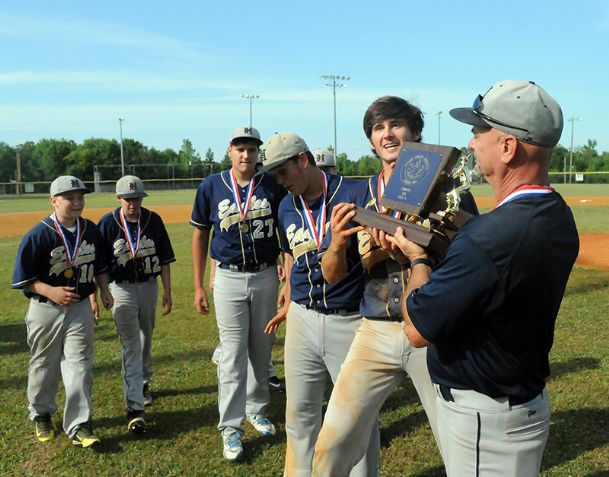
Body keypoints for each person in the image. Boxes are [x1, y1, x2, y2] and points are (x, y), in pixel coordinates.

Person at [384, 80, 578, 476]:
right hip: (519, 402)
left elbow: (417, 329)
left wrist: (417, 260)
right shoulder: (556, 212)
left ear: (508, 147)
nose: (472, 144)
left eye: (478, 132)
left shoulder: (488, 238)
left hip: (485, 420)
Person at [312, 96, 478, 476]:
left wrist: (427, 247)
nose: (387, 134)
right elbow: (332, 274)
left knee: (455, 442)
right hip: (375, 329)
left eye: (396, 124)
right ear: (371, 140)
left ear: (416, 132)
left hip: (433, 329)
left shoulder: (450, 187)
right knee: (332, 443)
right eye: (377, 128)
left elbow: (471, 255)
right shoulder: (356, 194)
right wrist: (337, 243)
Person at [260, 132, 379, 477]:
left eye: (282, 173)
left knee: (358, 420)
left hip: (351, 318)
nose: (279, 183)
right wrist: (288, 297)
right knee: (299, 416)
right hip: (301, 318)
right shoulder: (285, 205)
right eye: (273, 177)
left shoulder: (354, 194)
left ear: (303, 160)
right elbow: (292, 253)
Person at [191, 125, 285, 462]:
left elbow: (284, 229)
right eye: (240, 148)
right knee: (232, 355)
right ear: (229, 151)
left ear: (259, 153)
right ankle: (231, 427)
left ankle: (257, 408)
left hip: (264, 275)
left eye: (251, 149)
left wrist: (285, 275)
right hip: (228, 278)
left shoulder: (271, 184)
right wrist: (200, 284)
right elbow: (201, 234)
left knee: (261, 348)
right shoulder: (212, 186)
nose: (246, 155)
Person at [12, 175, 113, 448]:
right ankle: (41, 413)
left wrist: (103, 290)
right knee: (44, 364)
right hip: (46, 309)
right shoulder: (39, 233)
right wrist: (51, 291)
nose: (77, 202)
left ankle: (79, 423)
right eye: (70, 198)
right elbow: (23, 277)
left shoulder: (90, 230)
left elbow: (101, 265)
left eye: (80, 197)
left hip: (80, 306)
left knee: (80, 363)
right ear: (54, 201)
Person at [95, 175, 175, 434]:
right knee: (131, 343)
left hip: (149, 286)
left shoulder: (153, 220)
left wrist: (167, 291)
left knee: (146, 338)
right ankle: (134, 404)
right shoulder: (108, 223)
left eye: (137, 197)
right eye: (128, 198)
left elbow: (164, 259)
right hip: (122, 289)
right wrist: (104, 291)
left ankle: (143, 382)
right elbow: (100, 264)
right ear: (118, 199)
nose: (133, 202)